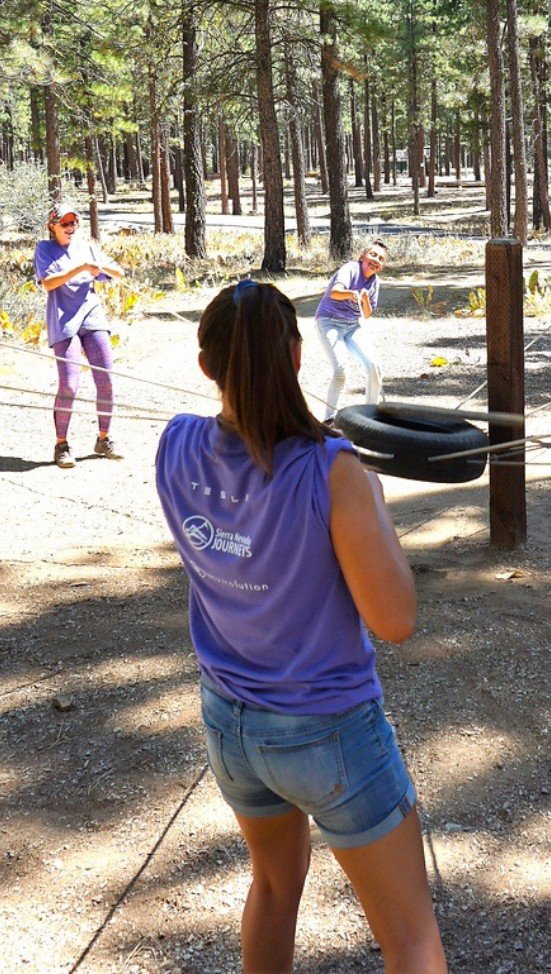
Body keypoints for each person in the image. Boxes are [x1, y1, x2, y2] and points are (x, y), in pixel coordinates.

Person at [155, 280, 447, 973]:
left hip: (231, 725)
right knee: (410, 939)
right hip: (329, 731)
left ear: (207, 366)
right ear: (295, 356)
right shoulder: (334, 471)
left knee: (275, 886)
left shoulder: (174, 446)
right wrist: (372, 504)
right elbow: (395, 618)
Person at [33, 200, 124, 468]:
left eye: (74, 222)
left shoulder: (86, 248)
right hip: (63, 321)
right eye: (65, 223)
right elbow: (49, 283)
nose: (71, 227)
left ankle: (104, 439)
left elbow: (118, 272)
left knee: (105, 378)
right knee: (69, 384)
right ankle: (61, 445)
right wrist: (81, 267)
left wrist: (101, 268)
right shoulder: (44, 249)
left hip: (92, 315)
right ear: (53, 227)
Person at [316, 240, 387, 419]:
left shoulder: (375, 281)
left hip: (352, 325)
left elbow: (368, 312)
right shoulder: (351, 269)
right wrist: (353, 294)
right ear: (362, 256)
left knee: (374, 366)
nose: (376, 259)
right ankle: (330, 418)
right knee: (341, 370)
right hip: (329, 321)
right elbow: (335, 292)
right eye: (373, 255)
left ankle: (371, 416)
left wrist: (363, 299)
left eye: (381, 258)